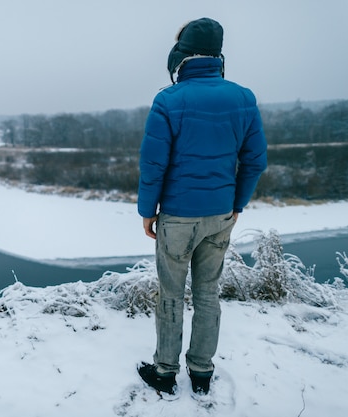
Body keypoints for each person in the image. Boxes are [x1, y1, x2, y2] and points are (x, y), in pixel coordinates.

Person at [136, 17, 267, 396]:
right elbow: (255, 161)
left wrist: (148, 211)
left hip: (177, 216)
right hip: (220, 215)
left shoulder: (168, 100)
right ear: (217, 55)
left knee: (171, 294)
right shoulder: (243, 97)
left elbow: (153, 165)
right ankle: (201, 372)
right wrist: (237, 204)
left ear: (182, 55)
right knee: (208, 293)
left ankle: (164, 371)